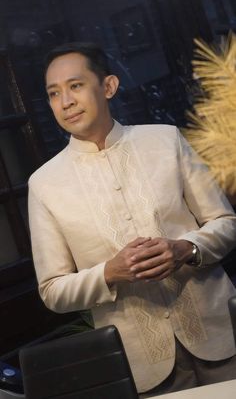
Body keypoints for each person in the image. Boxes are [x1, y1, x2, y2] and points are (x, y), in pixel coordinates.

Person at [28, 42, 236, 396]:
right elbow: (52, 290)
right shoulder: (44, 184)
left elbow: (226, 222)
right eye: (54, 93)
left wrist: (185, 248)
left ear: (108, 86)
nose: (65, 102)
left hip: (221, 333)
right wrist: (109, 273)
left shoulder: (165, 140)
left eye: (75, 86)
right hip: (140, 364)